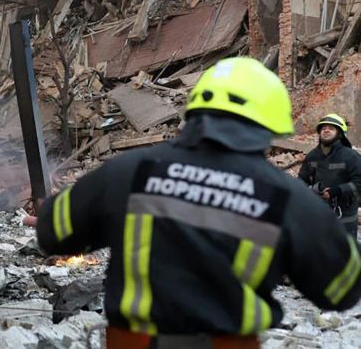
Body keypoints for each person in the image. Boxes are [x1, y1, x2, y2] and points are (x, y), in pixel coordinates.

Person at [36, 58, 361, 348]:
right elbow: (342, 290)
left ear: (194, 111)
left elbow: (53, 233)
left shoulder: (128, 172)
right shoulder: (288, 200)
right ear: (269, 125)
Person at [298, 114, 361, 238]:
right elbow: (302, 180)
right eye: (323, 128)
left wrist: (335, 191)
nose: (326, 130)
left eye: (331, 128)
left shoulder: (350, 156)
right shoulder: (312, 156)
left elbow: (359, 182)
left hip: (345, 218)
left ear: (340, 134)